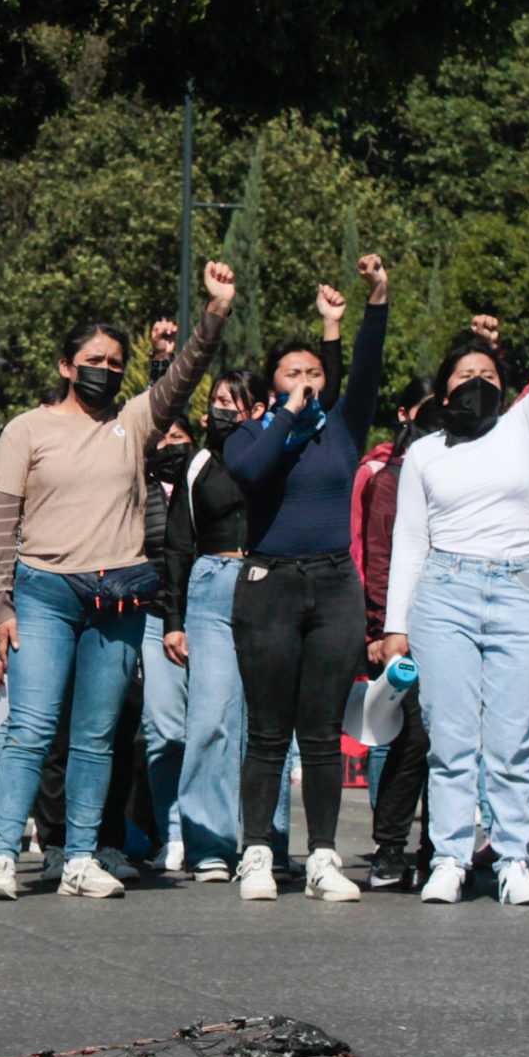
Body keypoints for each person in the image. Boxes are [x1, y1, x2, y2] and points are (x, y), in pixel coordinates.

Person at [0, 263, 230, 900]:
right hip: (43, 593)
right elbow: (1, 525)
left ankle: (82, 858)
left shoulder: (135, 424)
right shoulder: (27, 429)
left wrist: (215, 313)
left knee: (96, 737)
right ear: (67, 366)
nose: (107, 369)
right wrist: (0, 602)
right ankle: (5, 855)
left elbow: (183, 377)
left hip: (118, 595)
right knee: (32, 729)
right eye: (95, 359)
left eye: (118, 362)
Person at [382, 258, 529, 906]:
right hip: (443, 594)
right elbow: (409, 541)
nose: (477, 382)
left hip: (517, 592)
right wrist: (396, 628)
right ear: (445, 388)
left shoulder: (523, 427)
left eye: (488, 375)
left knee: (512, 741)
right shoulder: (423, 453)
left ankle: (513, 860)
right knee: (449, 739)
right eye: (464, 374)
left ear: (506, 386)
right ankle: (449, 856)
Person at [220, 257, 391, 904]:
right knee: (267, 731)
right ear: (271, 385)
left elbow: (368, 365)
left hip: (332, 586)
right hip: (269, 584)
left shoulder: (343, 428)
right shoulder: (252, 431)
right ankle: (257, 850)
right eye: (291, 373)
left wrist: (368, 304)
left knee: (321, 731)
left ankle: (323, 854)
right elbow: (253, 471)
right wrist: (285, 414)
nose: (305, 381)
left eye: (314, 372)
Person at [162, 371, 270, 880]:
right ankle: (208, 844)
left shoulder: (277, 453)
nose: (223, 409)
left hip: (268, 583)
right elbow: (178, 544)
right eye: (217, 401)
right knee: (210, 718)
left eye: (234, 401)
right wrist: (174, 621)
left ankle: (266, 843)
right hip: (211, 583)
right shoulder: (198, 463)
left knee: (267, 726)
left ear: (258, 407)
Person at [357, 385, 434, 889]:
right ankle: (390, 845)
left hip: (466, 616)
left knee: (453, 740)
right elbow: (380, 556)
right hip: (407, 628)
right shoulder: (393, 477)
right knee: (415, 736)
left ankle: (442, 848)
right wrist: (384, 629)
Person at [141, 404, 198, 873]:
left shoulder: (209, 484)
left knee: (214, 732)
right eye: (162, 436)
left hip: (210, 618)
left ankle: (212, 832)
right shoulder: (139, 486)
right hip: (153, 619)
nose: (170, 443)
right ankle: (173, 833)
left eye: (180, 435)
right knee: (164, 731)